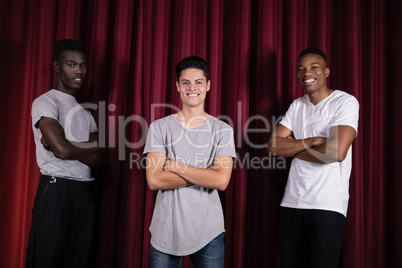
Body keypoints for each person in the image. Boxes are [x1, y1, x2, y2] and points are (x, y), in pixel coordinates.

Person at [267, 48, 359, 268]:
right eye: (301, 69)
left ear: (327, 72)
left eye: (314, 67)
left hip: (328, 206)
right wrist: (314, 140)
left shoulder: (344, 102)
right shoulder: (297, 105)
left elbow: (335, 152)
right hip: (291, 204)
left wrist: (293, 148)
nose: (306, 72)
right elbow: (272, 146)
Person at [143, 55, 236, 268]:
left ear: (208, 85)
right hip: (166, 231)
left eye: (198, 82)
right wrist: (206, 174)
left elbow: (221, 181)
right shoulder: (159, 127)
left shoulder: (222, 130)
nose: (192, 87)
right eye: (185, 82)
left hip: (208, 233)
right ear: (177, 86)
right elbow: (155, 180)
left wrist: (175, 166)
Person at [26, 39, 102, 268]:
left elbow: (99, 159)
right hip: (56, 189)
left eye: (83, 65)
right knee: (46, 260)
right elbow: (61, 150)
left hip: (85, 193)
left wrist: (66, 146)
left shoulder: (86, 114)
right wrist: (77, 148)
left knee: (79, 261)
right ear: (57, 66)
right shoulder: (46, 102)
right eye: (71, 64)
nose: (79, 70)